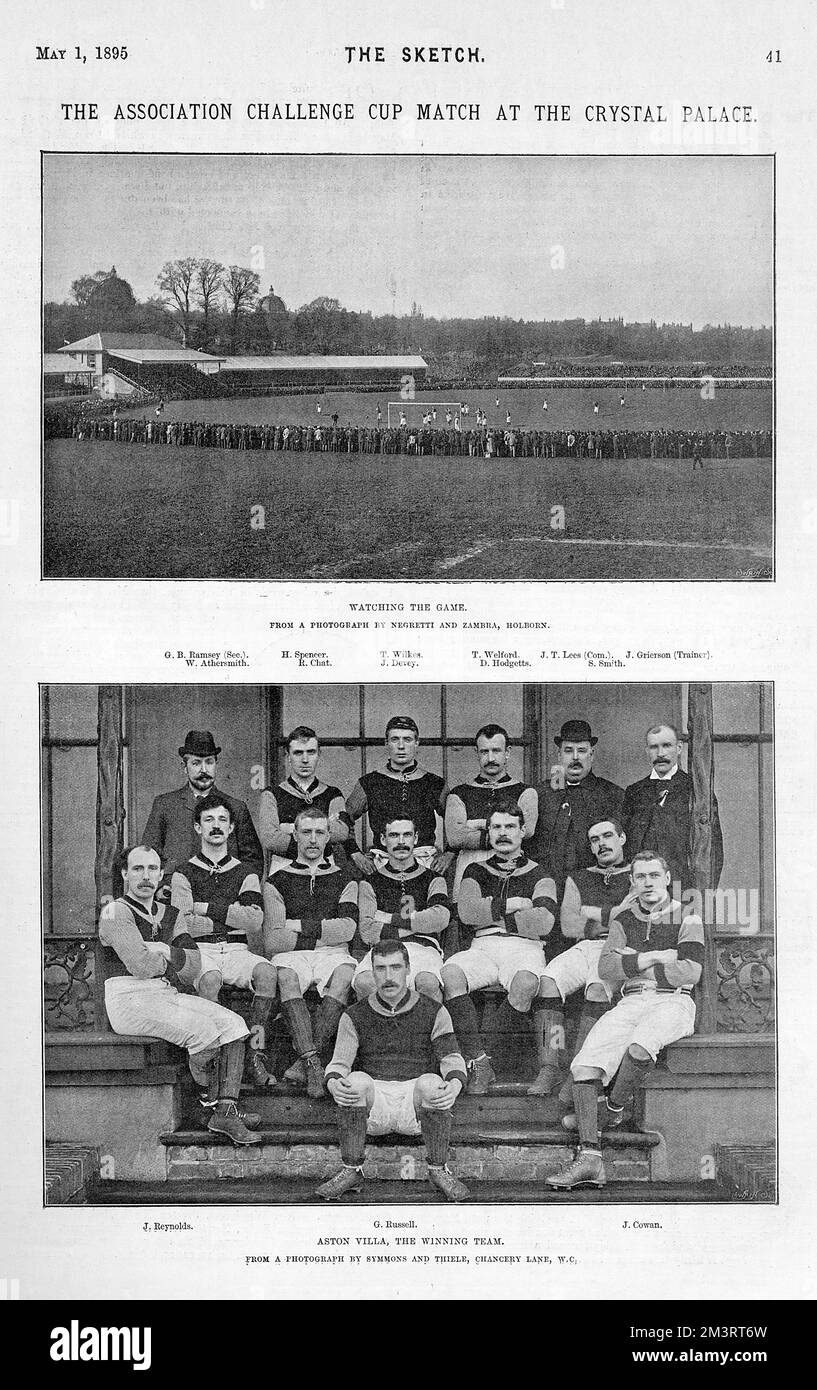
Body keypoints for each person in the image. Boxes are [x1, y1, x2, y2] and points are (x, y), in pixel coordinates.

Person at [547, 851, 703, 1189]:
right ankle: (590, 1160)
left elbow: (690, 970)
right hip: (631, 999)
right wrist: (655, 957)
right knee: (583, 1066)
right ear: (631, 882)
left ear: (666, 878)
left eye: (653, 875)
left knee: (640, 1046)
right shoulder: (624, 921)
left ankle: (613, 1108)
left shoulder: (687, 916)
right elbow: (606, 969)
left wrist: (633, 961)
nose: (647, 883)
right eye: (640, 877)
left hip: (673, 1002)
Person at [99, 844, 261, 1145]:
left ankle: (224, 1109)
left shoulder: (170, 913)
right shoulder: (114, 911)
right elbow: (140, 965)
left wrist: (164, 950)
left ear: (162, 874)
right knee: (205, 1033)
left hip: (164, 991)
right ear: (124, 873)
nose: (145, 876)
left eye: (152, 869)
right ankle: (208, 1106)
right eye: (137, 869)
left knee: (235, 1025)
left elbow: (194, 965)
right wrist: (174, 957)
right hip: (128, 998)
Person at [315, 940, 469, 1203]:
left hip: (415, 1106)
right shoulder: (354, 1015)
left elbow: (451, 1059)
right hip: (375, 1104)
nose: (388, 976)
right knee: (356, 1081)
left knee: (433, 1082)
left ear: (408, 969)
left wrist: (454, 1085)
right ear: (372, 973)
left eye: (396, 967)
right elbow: (339, 1064)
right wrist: (334, 1084)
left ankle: (438, 1170)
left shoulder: (434, 1010)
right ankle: (351, 1170)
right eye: (381, 969)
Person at [441, 802, 557, 1094]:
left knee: (527, 983)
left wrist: (492, 913)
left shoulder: (540, 873)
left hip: (525, 947)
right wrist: (514, 905)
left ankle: (485, 1059)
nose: (503, 834)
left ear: (522, 831)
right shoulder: (475, 869)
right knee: (451, 973)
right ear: (489, 832)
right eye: (496, 827)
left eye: (510, 827)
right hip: (483, 945)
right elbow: (467, 913)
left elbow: (544, 921)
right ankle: (479, 1061)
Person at [169, 791, 278, 1085]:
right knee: (210, 978)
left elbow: (254, 920)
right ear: (197, 827)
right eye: (208, 820)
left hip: (237, 950)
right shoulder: (183, 873)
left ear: (231, 828)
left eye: (222, 820)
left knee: (267, 972)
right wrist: (232, 916)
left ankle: (255, 1054)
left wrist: (204, 908)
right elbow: (182, 924)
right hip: (200, 950)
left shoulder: (246, 873)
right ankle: (214, 1061)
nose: (216, 825)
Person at [530, 818, 632, 1098]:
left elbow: (632, 920)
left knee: (598, 988)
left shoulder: (638, 874)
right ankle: (550, 1065)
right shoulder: (580, 876)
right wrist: (612, 914)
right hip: (585, 946)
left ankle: (577, 1069)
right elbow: (568, 926)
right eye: (595, 840)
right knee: (548, 981)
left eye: (607, 836)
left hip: (618, 948)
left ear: (621, 838)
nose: (601, 844)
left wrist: (590, 912)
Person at [263, 809, 359, 1098]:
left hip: (333, 953)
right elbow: (274, 940)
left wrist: (298, 926)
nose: (313, 839)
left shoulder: (346, 878)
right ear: (295, 835)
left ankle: (304, 1059)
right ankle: (313, 1062)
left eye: (320, 833)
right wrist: (321, 932)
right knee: (287, 977)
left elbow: (347, 930)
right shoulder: (276, 881)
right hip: (294, 956)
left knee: (344, 974)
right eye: (306, 832)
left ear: (329, 837)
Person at [142, 730, 263, 880]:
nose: (204, 770)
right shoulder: (164, 805)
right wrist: (160, 887)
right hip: (174, 892)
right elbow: (148, 855)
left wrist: (243, 891)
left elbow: (253, 861)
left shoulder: (236, 808)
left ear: (216, 764)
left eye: (209, 762)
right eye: (196, 763)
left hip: (222, 894)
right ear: (184, 766)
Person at [355, 816, 450, 1002]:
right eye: (394, 835)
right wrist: (419, 923)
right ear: (383, 840)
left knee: (427, 982)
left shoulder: (434, 878)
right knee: (364, 982)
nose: (401, 842)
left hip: (423, 947)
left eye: (407, 835)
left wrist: (388, 918)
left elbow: (440, 918)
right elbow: (367, 931)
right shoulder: (369, 882)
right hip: (383, 948)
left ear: (415, 839)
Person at [622, 723, 723, 892]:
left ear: (679, 748)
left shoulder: (698, 792)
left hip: (683, 890)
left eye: (666, 746)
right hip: (642, 890)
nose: (660, 754)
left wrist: (703, 895)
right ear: (647, 751)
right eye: (654, 747)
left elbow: (714, 850)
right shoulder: (634, 792)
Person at [345, 715, 450, 877]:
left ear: (417, 743)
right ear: (386, 743)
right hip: (383, 864)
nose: (401, 746)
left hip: (425, 864)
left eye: (407, 740)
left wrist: (449, 854)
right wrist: (356, 855)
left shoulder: (434, 783)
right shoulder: (369, 782)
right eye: (395, 739)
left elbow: (455, 822)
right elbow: (344, 820)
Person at [445, 722, 538, 901]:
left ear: (507, 752)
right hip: (469, 865)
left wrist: (474, 825)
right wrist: (505, 830)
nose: (490, 758)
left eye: (496, 751)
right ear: (476, 753)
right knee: (470, 916)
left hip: (511, 867)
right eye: (484, 752)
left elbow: (528, 831)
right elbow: (455, 837)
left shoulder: (526, 792)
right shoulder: (459, 793)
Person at [529, 719, 623, 892]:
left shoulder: (612, 794)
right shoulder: (540, 793)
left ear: (592, 754)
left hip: (595, 890)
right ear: (559, 754)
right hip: (547, 889)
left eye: (581, 751)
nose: (575, 757)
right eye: (568, 751)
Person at [258, 725, 348, 866]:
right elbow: (270, 839)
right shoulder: (271, 794)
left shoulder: (332, 794)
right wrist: (321, 831)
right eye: (298, 753)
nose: (305, 760)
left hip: (323, 869)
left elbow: (341, 832)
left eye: (311, 752)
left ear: (319, 754)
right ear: (288, 756)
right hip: (284, 870)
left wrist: (288, 828)